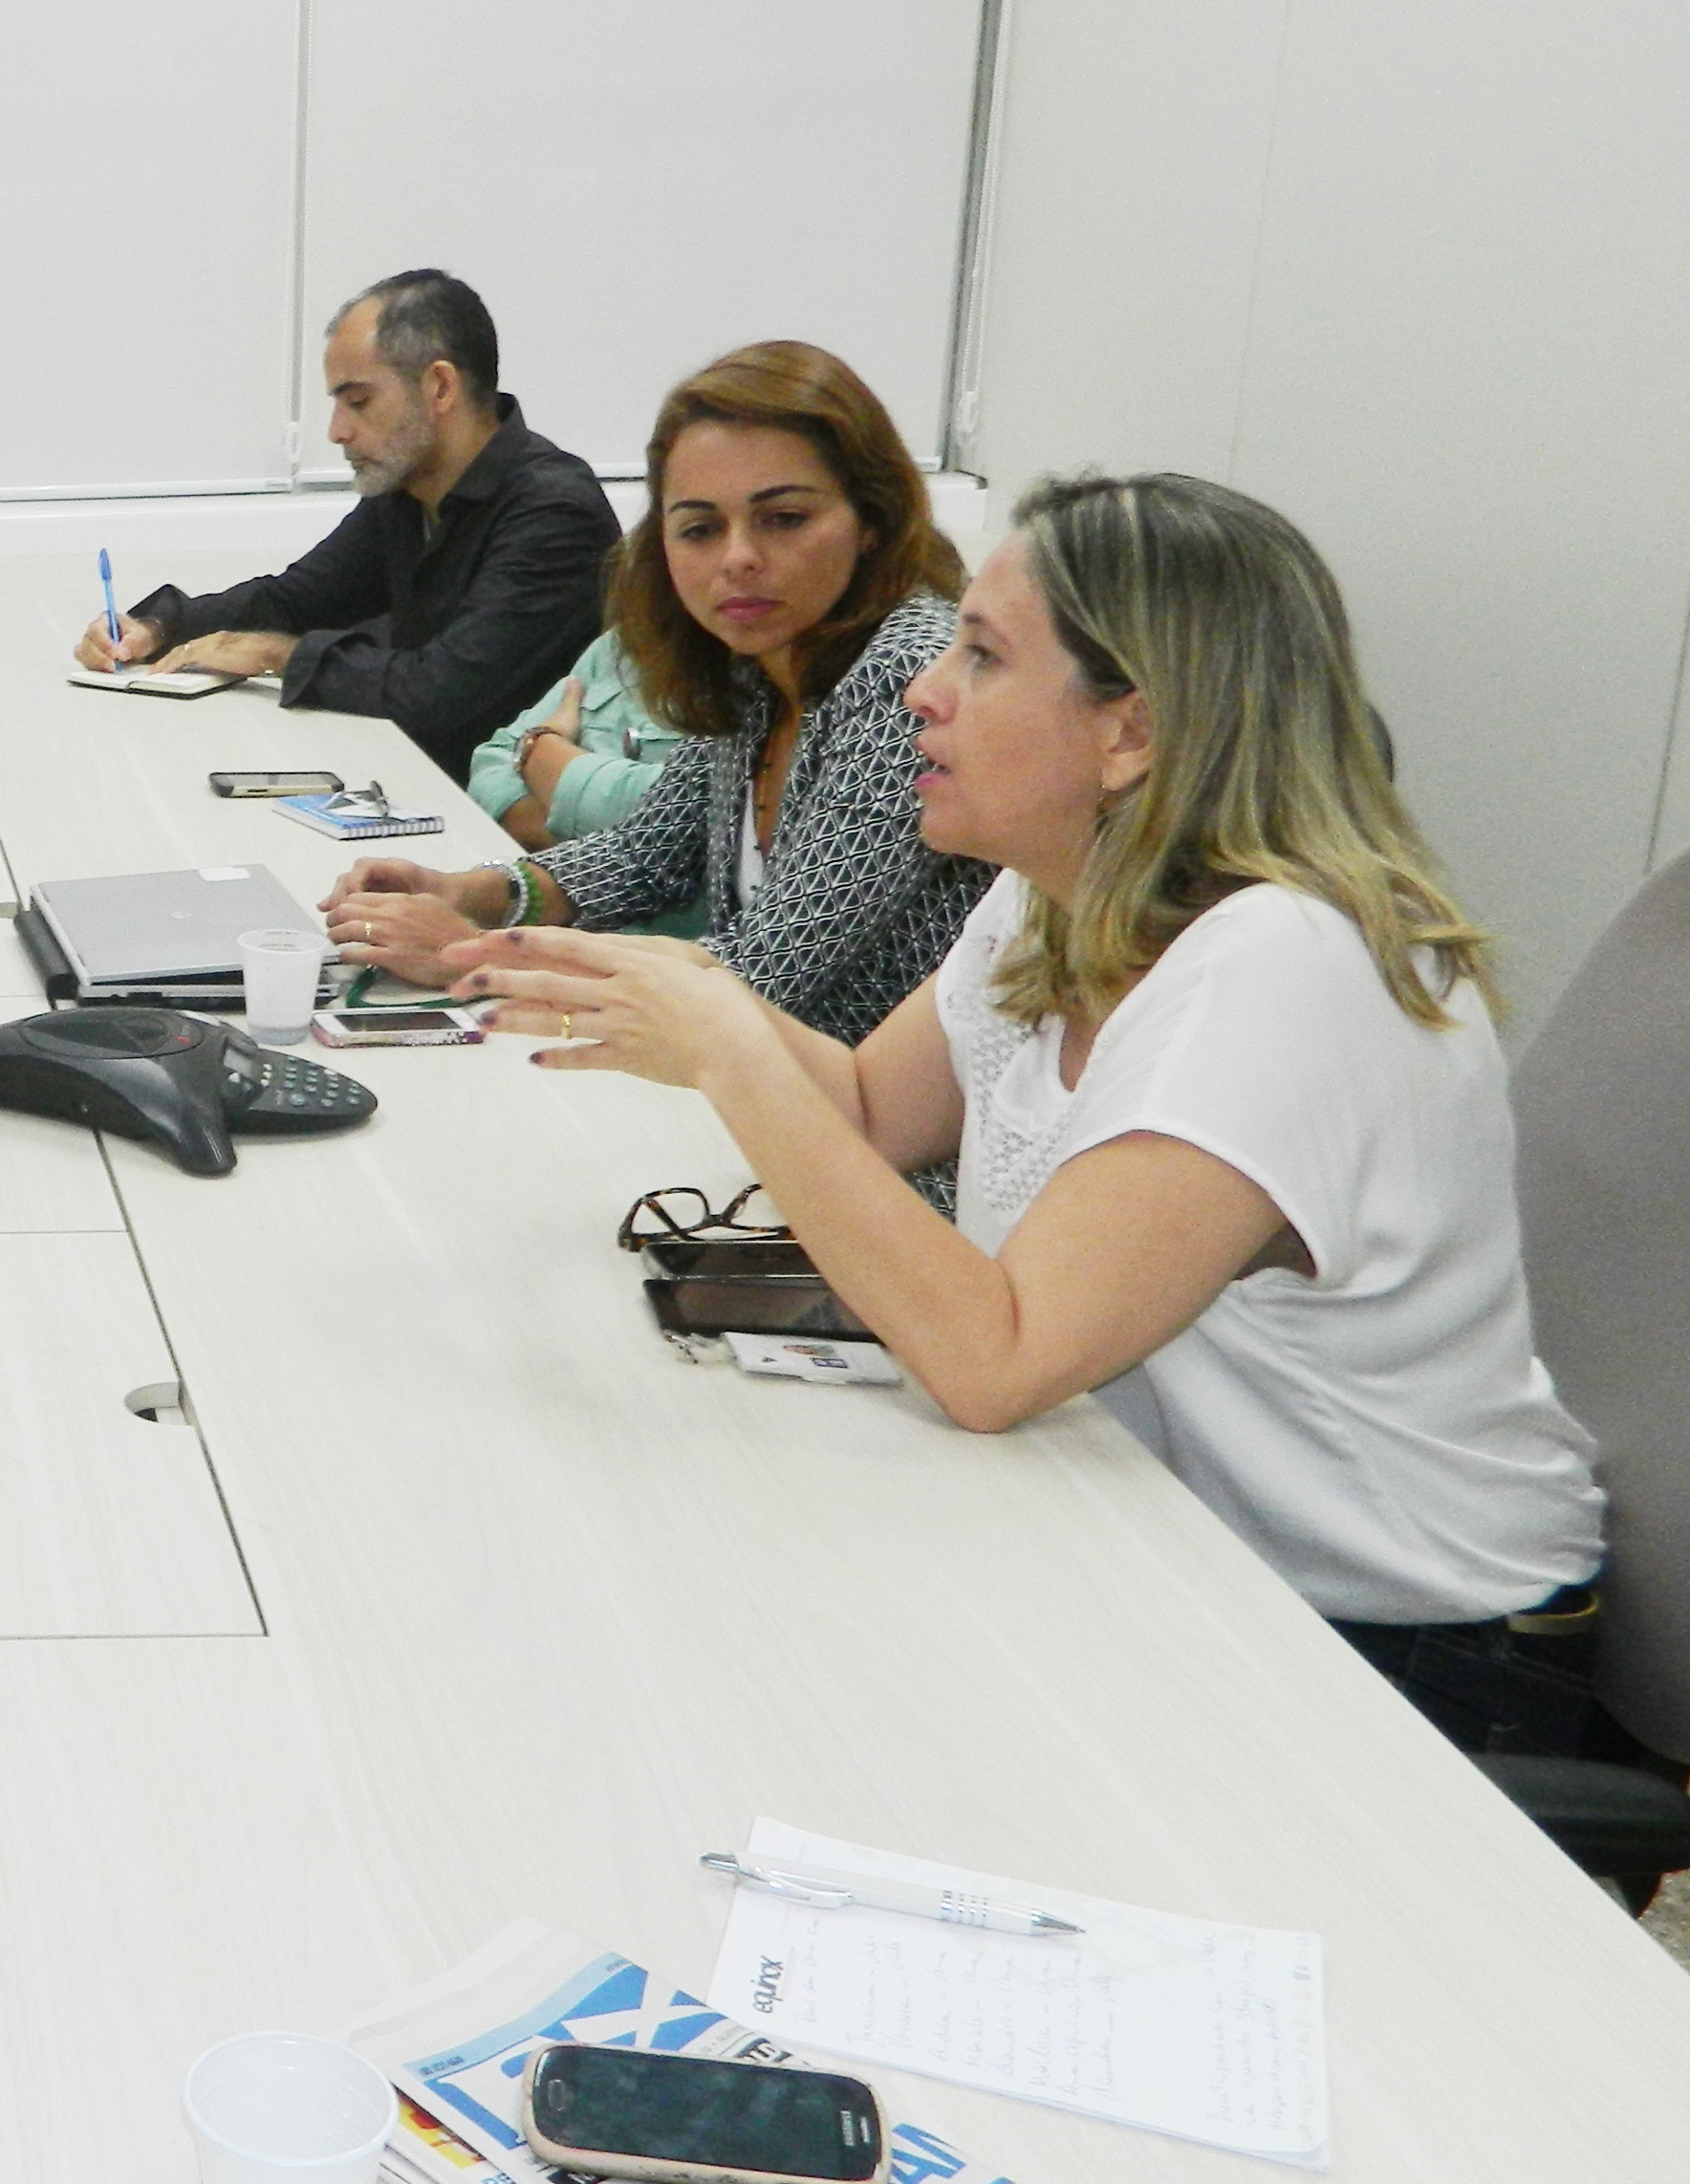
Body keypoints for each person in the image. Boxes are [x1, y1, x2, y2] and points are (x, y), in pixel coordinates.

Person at [457, 472, 1614, 1757]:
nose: (923, 689)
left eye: (983, 656)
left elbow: (998, 1360)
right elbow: (861, 1107)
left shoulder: (1285, 967)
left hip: (1417, 1655)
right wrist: (675, 987)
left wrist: (731, 1053)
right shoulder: (1056, 894)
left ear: (1133, 734)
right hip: (1175, 1545)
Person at [326, 341, 986, 1050]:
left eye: (784, 519)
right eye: (700, 528)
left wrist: (476, 953)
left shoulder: (910, 678)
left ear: (873, 521)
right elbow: (645, 857)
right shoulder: (758, 662)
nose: (737, 558)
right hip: (765, 1094)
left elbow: (765, 975)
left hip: (882, 1137)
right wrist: (464, 892)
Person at [76, 270, 616, 783]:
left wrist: (276, 655)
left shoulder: (554, 513)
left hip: (518, 827)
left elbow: (441, 694)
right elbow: (295, 601)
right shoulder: (408, 490)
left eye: (358, 401)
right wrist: (159, 626)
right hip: (418, 777)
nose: (337, 432)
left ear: (440, 388)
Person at [465, 624, 686, 855]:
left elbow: (666, 822)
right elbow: (492, 759)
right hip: (514, 864)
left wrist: (542, 744)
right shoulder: (626, 639)